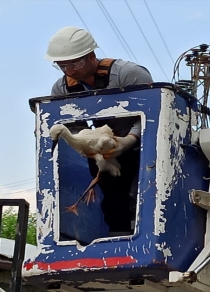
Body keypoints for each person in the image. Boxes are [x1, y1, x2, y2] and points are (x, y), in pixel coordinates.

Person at [45, 26, 153, 235]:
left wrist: (130, 139)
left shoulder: (129, 75)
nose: (69, 71)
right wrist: (89, 148)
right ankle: (117, 244)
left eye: (74, 64)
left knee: (143, 196)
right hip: (101, 151)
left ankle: (144, 237)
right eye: (62, 66)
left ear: (91, 56)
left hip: (143, 148)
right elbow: (73, 126)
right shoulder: (62, 90)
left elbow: (153, 111)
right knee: (112, 201)